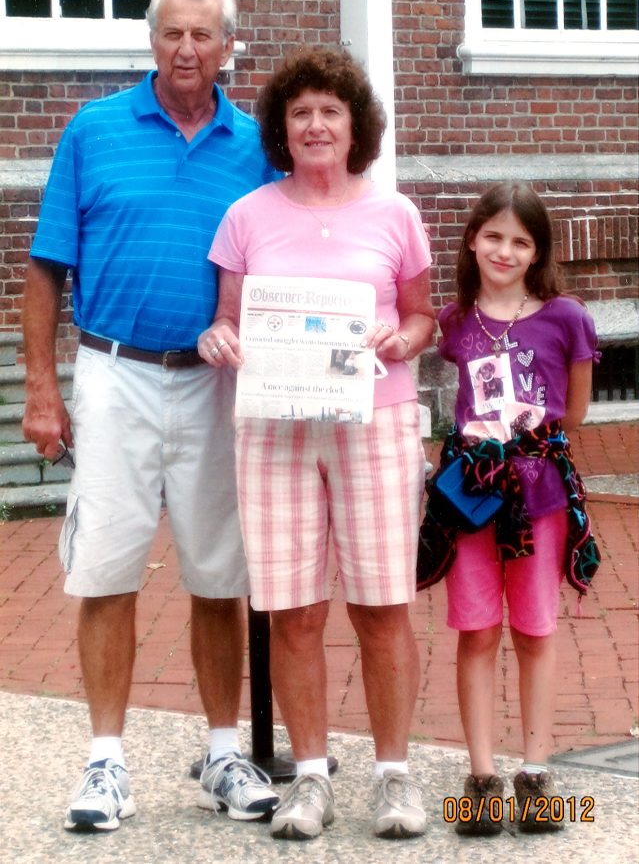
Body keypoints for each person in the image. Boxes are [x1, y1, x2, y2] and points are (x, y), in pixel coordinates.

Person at [21, 0, 281, 832]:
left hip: (214, 383)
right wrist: (42, 390)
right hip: (114, 374)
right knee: (106, 570)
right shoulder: (93, 130)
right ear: (152, 41)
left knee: (218, 572)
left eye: (203, 35)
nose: (185, 49)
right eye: (172, 33)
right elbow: (45, 270)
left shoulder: (256, 146)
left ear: (228, 47)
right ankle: (105, 762)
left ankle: (222, 753)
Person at [197, 46, 436, 840]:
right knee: (293, 610)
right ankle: (308, 777)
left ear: (354, 125)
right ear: (281, 128)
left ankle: (394, 776)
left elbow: (421, 317)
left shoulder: (395, 214)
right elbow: (226, 318)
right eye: (299, 112)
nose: (315, 125)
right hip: (275, 430)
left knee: (382, 605)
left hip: (374, 421)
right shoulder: (247, 216)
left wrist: (401, 340)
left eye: (330, 110)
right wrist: (218, 339)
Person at [418, 182, 600, 836]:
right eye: (493, 236)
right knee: (475, 630)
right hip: (472, 497)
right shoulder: (453, 321)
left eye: (520, 241)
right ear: (472, 239)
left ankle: (535, 770)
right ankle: (480, 775)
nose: (504, 250)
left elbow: (574, 413)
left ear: (537, 251)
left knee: (534, 629)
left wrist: (523, 444)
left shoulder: (566, 318)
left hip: (538, 496)